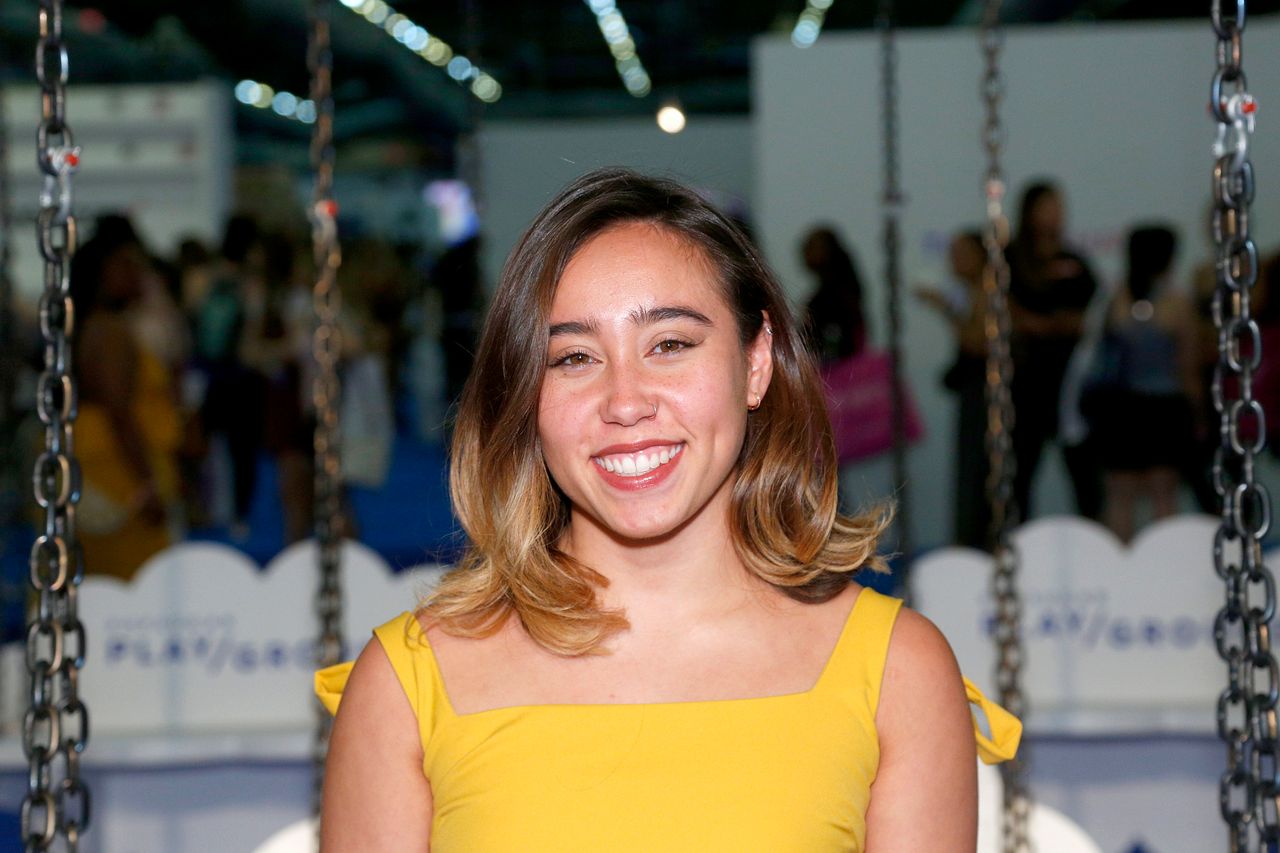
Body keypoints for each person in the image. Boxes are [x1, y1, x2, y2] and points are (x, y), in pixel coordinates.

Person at [315, 169, 1019, 851]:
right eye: (573, 358)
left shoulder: (895, 673)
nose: (626, 401)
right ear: (526, 394)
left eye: (671, 344)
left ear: (756, 362)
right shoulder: (407, 685)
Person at [72, 215, 183, 579]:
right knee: (134, 577)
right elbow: (119, 410)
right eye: (126, 267)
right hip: (116, 471)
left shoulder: (97, 326)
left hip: (105, 461)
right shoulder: (111, 332)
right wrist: (146, 484)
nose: (138, 275)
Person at [1087, 226, 1199, 542]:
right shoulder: (1176, 304)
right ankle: (1162, 568)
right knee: (1163, 493)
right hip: (1164, 407)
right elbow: (1187, 368)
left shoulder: (1115, 301)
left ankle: (1120, 568)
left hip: (1122, 408)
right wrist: (1200, 415)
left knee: (1121, 495)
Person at [1007, 180, 1102, 521]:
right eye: (1048, 206)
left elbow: (1092, 313)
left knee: (1084, 470)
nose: (1056, 215)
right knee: (1020, 471)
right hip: (1027, 379)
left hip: (1070, 381)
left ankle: (1095, 535)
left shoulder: (1074, 260)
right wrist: (1040, 324)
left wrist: (1059, 324)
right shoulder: (1012, 259)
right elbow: (1008, 312)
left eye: (1059, 206)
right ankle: (1016, 542)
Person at [915, 230, 990, 549]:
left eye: (962, 253)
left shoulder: (988, 292)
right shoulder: (974, 292)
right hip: (976, 394)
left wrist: (946, 308)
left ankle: (975, 545)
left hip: (985, 398)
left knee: (977, 474)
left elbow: (978, 342)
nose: (953, 260)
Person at [800, 226, 868, 363]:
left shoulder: (829, 297)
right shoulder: (847, 288)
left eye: (811, 248)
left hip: (837, 369)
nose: (805, 254)